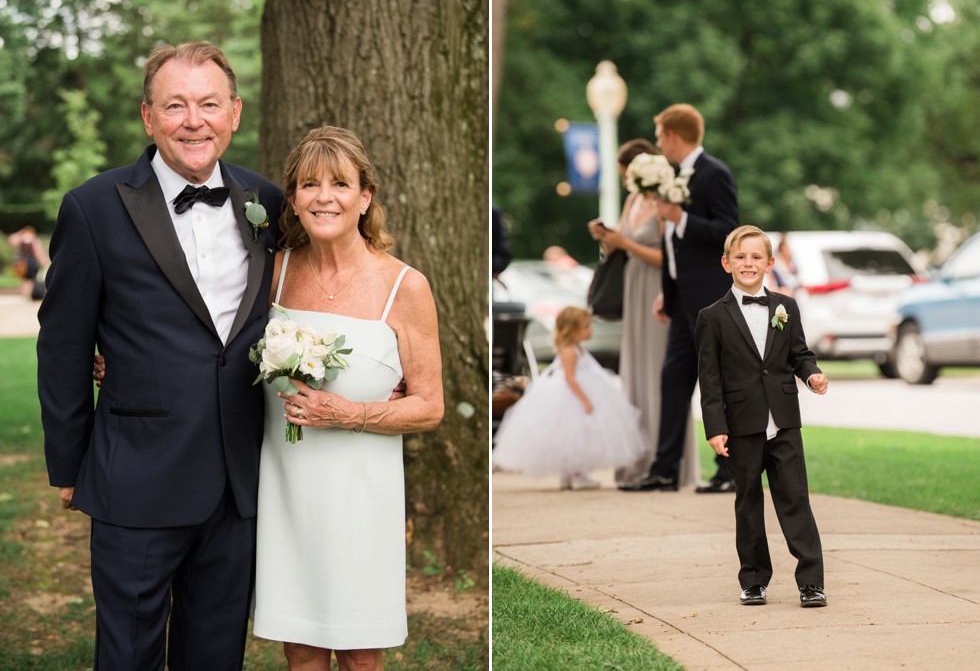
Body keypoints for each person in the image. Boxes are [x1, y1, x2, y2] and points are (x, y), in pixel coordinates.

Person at [37, 41, 284, 669]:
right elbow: (64, 344)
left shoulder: (269, 206)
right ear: (149, 118)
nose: (193, 120)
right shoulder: (92, 208)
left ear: (235, 112)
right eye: (175, 105)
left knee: (216, 654)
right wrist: (67, 464)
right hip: (136, 479)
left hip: (238, 481)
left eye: (208, 104)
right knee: (128, 655)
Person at [251, 126, 444, 670]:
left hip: (363, 495)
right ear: (292, 199)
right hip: (287, 490)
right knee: (300, 647)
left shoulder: (405, 287)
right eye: (309, 184)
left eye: (340, 183)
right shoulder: (273, 273)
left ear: (365, 197)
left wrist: (348, 413)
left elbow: (429, 406)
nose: (324, 196)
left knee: (361, 653)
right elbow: (211, 347)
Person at [695, 225, 828, 608]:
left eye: (756, 257)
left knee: (795, 500)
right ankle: (754, 579)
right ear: (726, 263)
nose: (748, 263)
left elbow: (799, 354)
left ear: (770, 263)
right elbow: (710, 378)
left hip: (784, 420)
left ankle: (811, 581)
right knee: (748, 502)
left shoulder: (787, 307)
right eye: (740, 257)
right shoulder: (711, 317)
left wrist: (811, 374)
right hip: (741, 425)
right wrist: (716, 427)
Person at [621, 104, 740, 493]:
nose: (657, 144)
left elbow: (729, 230)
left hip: (709, 299)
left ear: (673, 136)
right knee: (673, 381)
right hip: (680, 300)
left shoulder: (715, 174)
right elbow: (674, 248)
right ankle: (665, 470)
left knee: (717, 385)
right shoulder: (672, 177)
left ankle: (729, 472)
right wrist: (666, 291)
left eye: (659, 136)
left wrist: (680, 218)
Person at [588, 139, 700, 488]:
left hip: (658, 289)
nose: (625, 182)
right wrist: (605, 237)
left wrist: (626, 244)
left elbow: (672, 255)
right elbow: (620, 241)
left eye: (627, 175)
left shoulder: (667, 198)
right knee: (634, 375)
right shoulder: (634, 199)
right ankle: (636, 463)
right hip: (633, 287)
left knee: (660, 375)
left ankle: (666, 462)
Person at [492, 306, 646, 490]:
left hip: (581, 390)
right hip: (570, 395)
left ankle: (571, 474)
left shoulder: (576, 349)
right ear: (571, 330)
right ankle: (575, 474)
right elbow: (570, 377)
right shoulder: (570, 351)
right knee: (573, 435)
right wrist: (584, 399)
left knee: (579, 436)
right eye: (585, 327)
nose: (590, 331)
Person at [7, 225, 48, 299]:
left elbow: (11, 240)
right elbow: (38, 252)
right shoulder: (32, 240)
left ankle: (26, 294)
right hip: (30, 262)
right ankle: (28, 294)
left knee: (27, 279)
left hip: (26, 261)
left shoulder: (25, 240)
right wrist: (43, 260)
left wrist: (20, 234)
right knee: (30, 278)